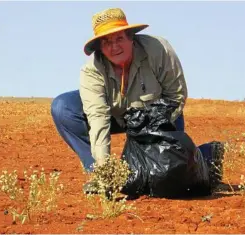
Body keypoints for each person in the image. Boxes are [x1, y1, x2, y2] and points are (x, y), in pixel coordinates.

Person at [51, 7, 188, 192]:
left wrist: (149, 136)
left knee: (166, 177)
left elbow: (175, 96)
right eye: (106, 42)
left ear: (131, 37)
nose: (114, 47)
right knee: (63, 107)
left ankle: (204, 157)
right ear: (99, 47)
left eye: (119, 38)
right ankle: (99, 175)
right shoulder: (91, 71)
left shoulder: (158, 49)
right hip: (114, 118)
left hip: (159, 120)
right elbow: (97, 118)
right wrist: (104, 169)